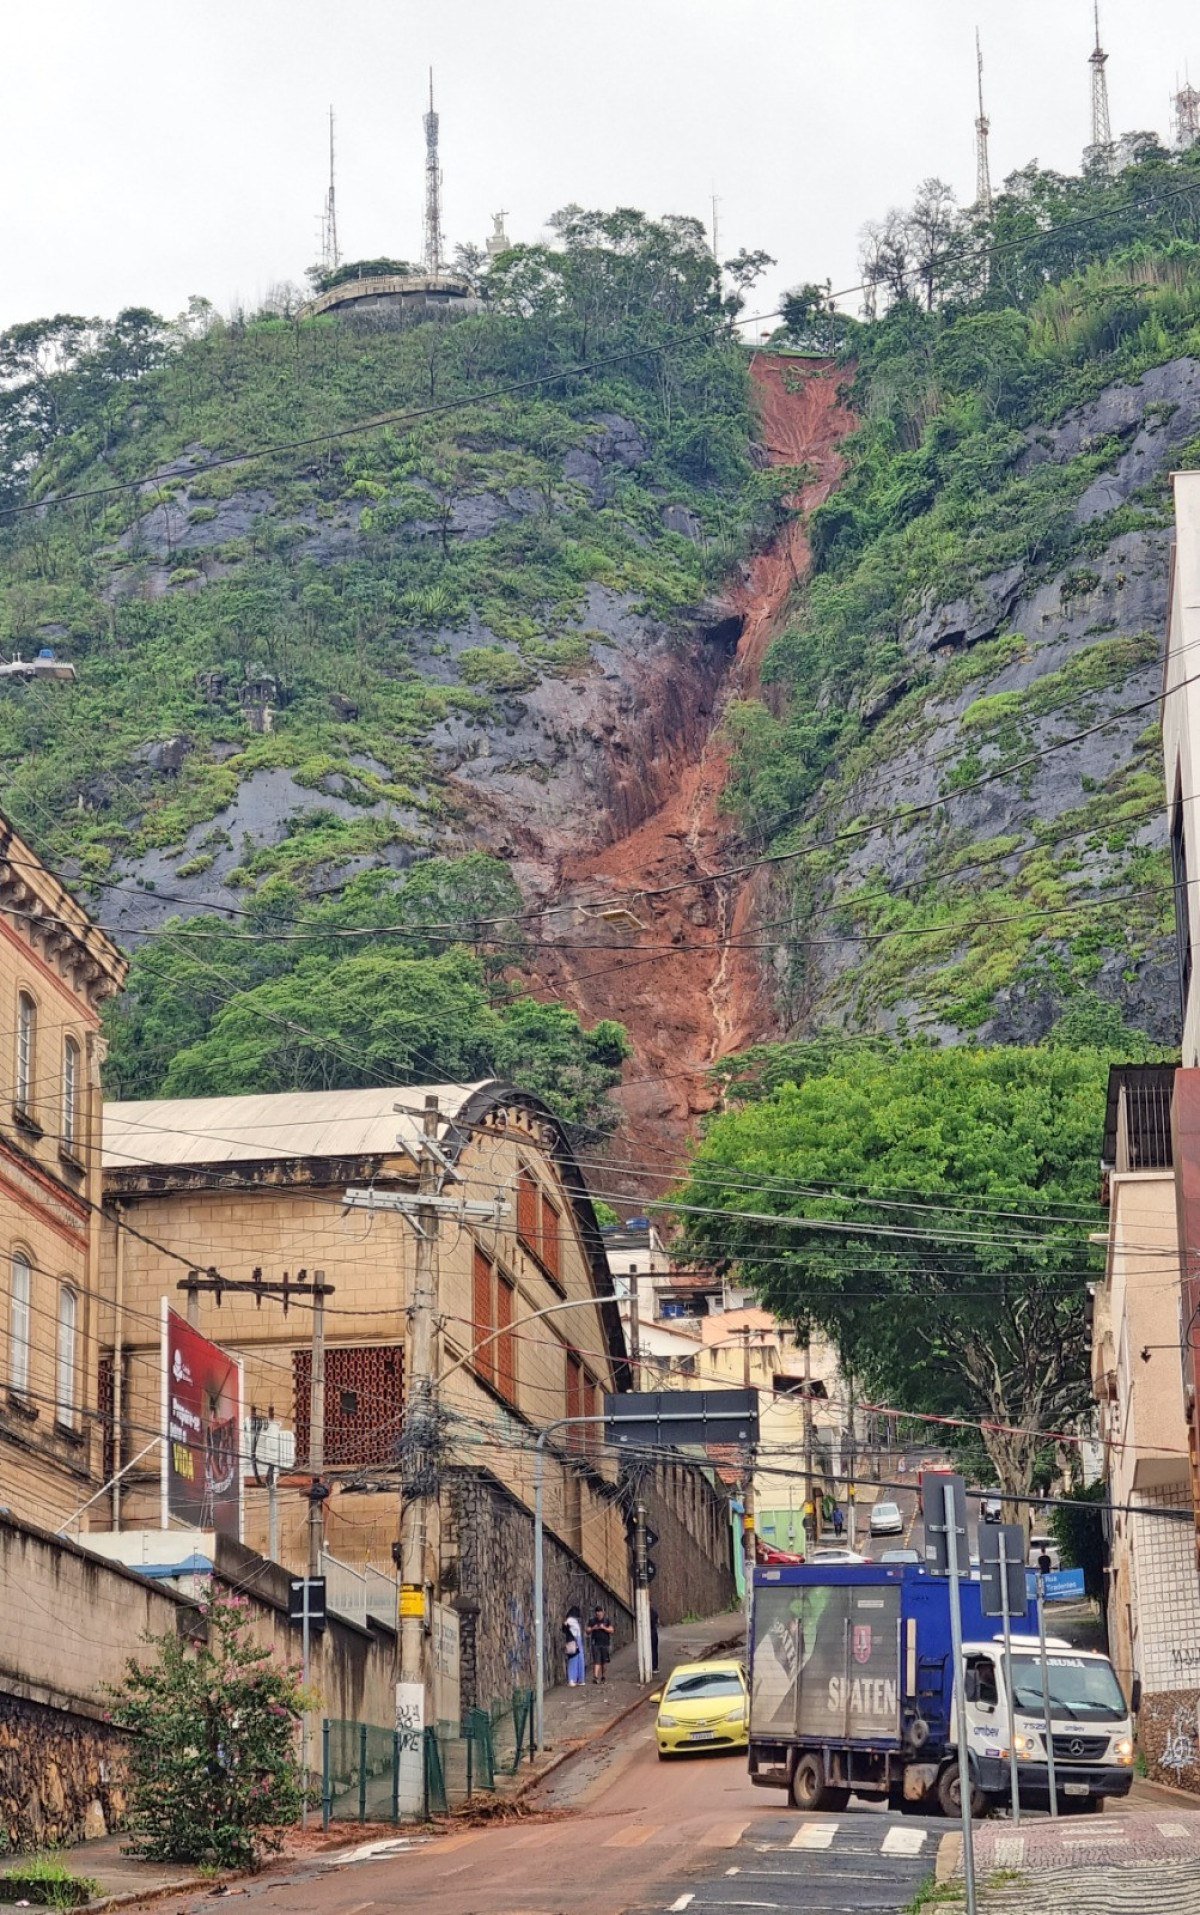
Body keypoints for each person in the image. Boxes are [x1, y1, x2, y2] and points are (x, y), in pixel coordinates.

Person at [589, 1604, 614, 1684]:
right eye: (597, 1612)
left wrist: (604, 1628)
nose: (599, 1614)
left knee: (604, 1662)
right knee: (597, 1661)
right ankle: (595, 1677)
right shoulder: (592, 1621)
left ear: (603, 1613)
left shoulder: (606, 1620)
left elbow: (612, 1630)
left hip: (605, 1643)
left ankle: (603, 1676)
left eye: (600, 1612)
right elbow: (587, 1630)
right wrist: (593, 1628)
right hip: (596, 1643)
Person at [563, 1605, 585, 1686]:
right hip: (575, 1641)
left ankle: (574, 1679)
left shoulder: (571, 1620)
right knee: (577, 1659)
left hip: (573, 1640)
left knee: (574, 1660)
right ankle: (577, 1679)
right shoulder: (572, 1621)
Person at [649, 1603, 660, 1678]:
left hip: (646, 1632)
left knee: (650, 1650)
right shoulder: (653, 1612)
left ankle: (649, 1665)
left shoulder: (642, 1611)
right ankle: (654, 1667)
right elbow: (657, 1621)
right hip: (653, 1632)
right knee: (654, 1650)